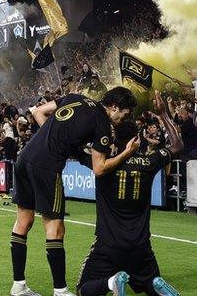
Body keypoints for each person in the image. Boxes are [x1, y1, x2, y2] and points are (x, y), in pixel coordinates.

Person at [10, 87, 139, 296]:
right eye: (124, 114)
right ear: (114, 107)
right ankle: (60, 291)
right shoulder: (102, 123)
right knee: (56, 228)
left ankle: (19, 286)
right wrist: (127, 153)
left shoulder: (74, 98)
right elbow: (99, 168)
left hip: (24, 159)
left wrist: (62, 143)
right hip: (46, 167)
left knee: (23, 222)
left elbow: (37, 112)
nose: (123, 119)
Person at [76, 91, 183, 296]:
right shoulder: (149, 163)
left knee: (83, 290)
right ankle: (154, 285)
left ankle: (112, 282)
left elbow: (76, 146)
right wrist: (164, 115)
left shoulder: (103, 165)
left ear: (114, 138)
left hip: (108, 246)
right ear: (137, 138)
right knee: (148, 283)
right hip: (140, 246)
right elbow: (177, 146)